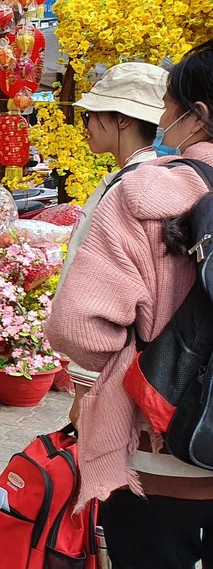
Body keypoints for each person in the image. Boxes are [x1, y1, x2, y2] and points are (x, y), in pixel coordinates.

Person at [45, 39, 213, 568]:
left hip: (166, 450)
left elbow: (79, 327)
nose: (164, 118)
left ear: (198, 116)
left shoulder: (144, 196)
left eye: (169, 105)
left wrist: (121, 369)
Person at [58, 62, 169, 426]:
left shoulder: (129, 191)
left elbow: (102, 295)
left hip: (117, 371)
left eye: (92, 115)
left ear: (122, 120)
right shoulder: (154, 179)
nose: (86, 125)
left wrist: (84, 389)